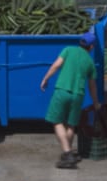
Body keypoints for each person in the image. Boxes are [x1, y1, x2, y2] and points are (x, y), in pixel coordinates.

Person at [40, 32, 101, 169]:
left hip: (62, 91)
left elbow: (56, 65)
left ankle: (67, 153)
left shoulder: (68, 50)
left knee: (57, 122)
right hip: (78, 95)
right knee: (71, 125)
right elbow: (92, 86)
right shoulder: (90, 63)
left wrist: (46, 78)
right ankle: (67, 152)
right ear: (91, 47)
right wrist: (96, 103)